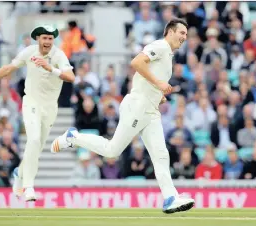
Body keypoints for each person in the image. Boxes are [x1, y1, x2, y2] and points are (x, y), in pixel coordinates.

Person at [50, 18, 195, 214]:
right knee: (112, 151)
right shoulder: (160, 46)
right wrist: (159, 85)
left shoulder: (167, 54)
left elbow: (147, 78)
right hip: (137, 106)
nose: (184, 38)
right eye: (181, 33)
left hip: (150, 109)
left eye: (186, 34)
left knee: (161, 155)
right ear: (170, 32)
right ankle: (73, 137)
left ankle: (170, 198)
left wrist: (158, 95)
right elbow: (136, 62)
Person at [0, 25, 75, 201]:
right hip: (31, 102)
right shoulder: (29, 52)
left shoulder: (58, 55)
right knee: (33, 140)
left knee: (36, 148)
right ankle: (28, 187)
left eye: (51, 38)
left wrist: (50, 68)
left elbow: (70, 77)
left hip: (50, 107)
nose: (48, 42)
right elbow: (7, 69)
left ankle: (19, 173)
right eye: (45, 38)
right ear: (38, 39)